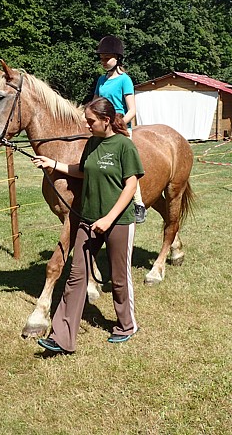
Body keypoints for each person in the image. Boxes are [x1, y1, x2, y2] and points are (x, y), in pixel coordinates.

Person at [32, 96, 145, 354]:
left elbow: (130, 185)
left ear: (106, 120)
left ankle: (126, 325)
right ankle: (62, 337)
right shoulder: (92, 143)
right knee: (75, 278)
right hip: (87, 219)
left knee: (118, 278)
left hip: (118, 222)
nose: (86, 123)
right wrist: (54, 164)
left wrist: (108, 219)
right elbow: (83, 170)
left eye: (90, 120)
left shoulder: (123, 146)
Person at [94, 35, 146, 223]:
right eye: (101, 58)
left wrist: (119, 125)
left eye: (107, 58)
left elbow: (132, 109)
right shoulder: (101, 80)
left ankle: (138, 203)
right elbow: (94, 104)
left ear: (117, 58)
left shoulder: (125, 80)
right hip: (101, 126)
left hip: (121, 127)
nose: (104, 62)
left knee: (127, 166)